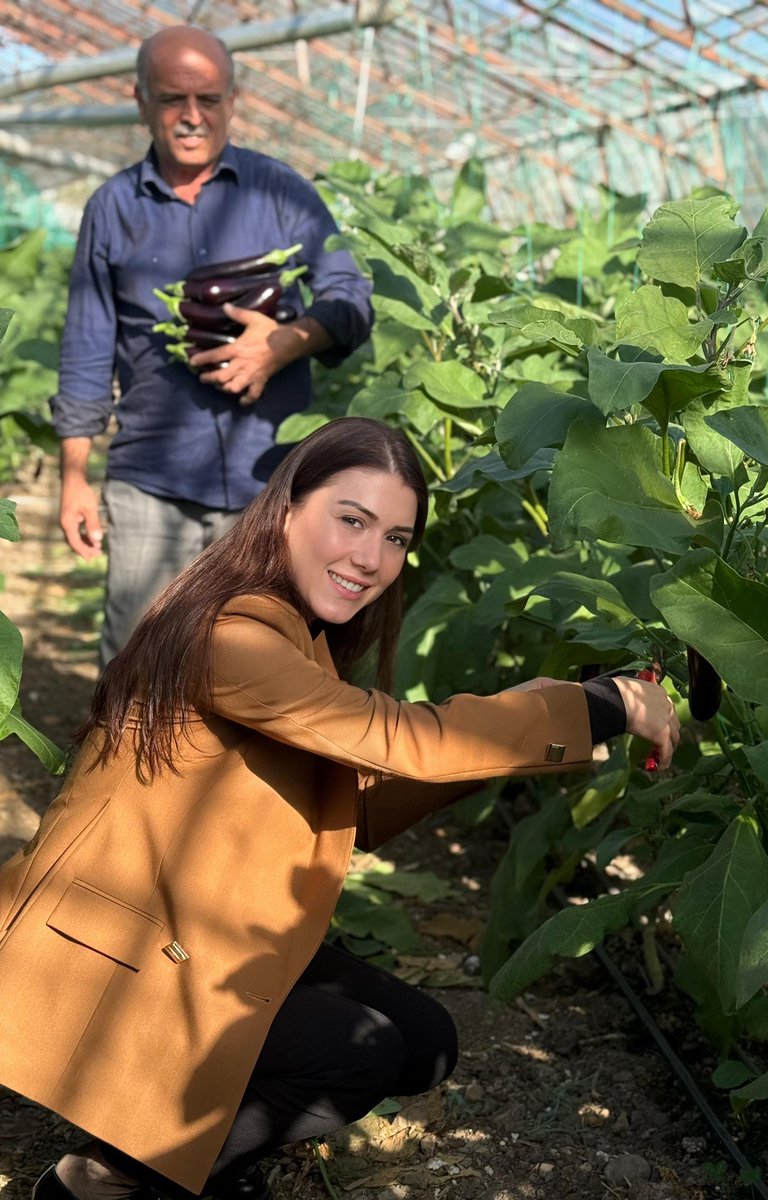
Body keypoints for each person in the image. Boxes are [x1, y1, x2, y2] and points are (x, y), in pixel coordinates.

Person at [0, 418, 680, 1200]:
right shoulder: (232, 635)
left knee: (422, 1043)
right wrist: (596, 707)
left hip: (190, 925)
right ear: (286, 508)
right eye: (351, 520)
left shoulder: (296, 635)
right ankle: (98, 1181)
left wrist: (527, 714)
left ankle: (171, 1163)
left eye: (395, 537)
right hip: (113, 951)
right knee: (353, 1052)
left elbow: (362, 805)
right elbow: (391, 737)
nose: (371, 557)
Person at [51, 25, 374, 666]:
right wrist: (74, 478)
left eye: (209, 99)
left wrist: (284, 342)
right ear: (141, 101)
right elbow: (88, 344)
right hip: (151, 480)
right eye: (173, 99)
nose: (192, 116)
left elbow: (351, 297)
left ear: (233, 99)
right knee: (138, 663)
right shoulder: (112, 207)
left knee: (265, 666)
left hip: (272, 484)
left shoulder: (280, 192)